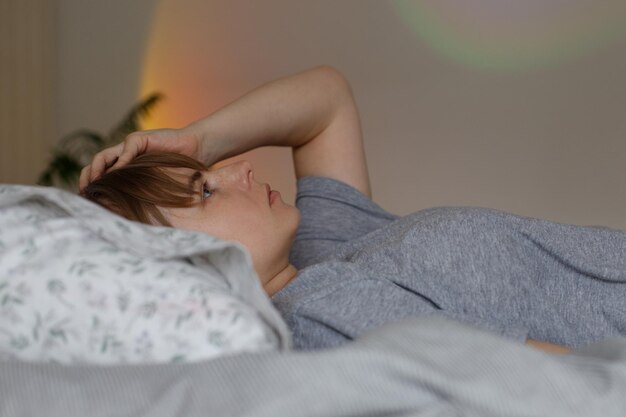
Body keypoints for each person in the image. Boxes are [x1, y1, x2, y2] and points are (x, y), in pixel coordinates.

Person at [80, 66, 626, 354]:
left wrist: (197, 143)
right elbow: (540, 375)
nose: (239, 168)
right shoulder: (320, 309)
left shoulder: (322, 256)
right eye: (206, 192)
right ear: (185, 267)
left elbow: (325, 100)